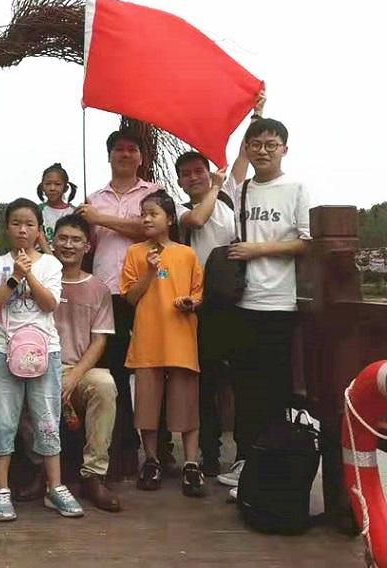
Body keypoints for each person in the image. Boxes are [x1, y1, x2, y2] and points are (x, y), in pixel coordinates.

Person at [175, 89, 266, 476]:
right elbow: (197, 221)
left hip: (237, 299)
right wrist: (214, 185)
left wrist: (255, 114)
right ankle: (208, 454)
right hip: (201, 304)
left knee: (243, 378)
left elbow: (245, 154)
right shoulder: (180, 208)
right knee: (207, 382)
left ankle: (245, 452)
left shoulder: (229, 196)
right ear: (180, 182)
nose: (194, 177)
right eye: (187, 174)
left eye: (199, 171)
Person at [216, 117, 311, 488]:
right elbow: (234, 172)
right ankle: (245, 459)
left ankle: (269, 465)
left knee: (274, 389)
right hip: (243, 302)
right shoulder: (242, 189)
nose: (263, 151)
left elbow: (307, 241)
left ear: (284, 149)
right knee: (244, 385)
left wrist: (258, 250)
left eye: (271, 144)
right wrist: (253, 115)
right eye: (256, 144)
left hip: (280, 303)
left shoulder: (297, 188)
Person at [0, 198, 84, 521]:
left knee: (47, 420)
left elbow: (50, 304)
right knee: (4, 421)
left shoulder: (51, 264)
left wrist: (29, 275)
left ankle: (55, 487)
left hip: (46, 352)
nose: (22, 230)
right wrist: (14, 277)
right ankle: (1, 489)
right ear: (6, 228)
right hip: (6, 352)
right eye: (16, 223)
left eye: (29, 224)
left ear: (39, 230)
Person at [16, 215, 120, 511]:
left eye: (76, 240)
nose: (68, 245)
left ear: (88, 247)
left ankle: (93, 475)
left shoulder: (98, 288)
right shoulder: (36, 279)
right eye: (62, 238)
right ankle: (41, 469)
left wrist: (74, 376)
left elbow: (99, 341)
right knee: (18, 384)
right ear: (52, 240)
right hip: (38, 365)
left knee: (104, 385)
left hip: (78, 369)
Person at [76, 128, 160, 471]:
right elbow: (85, 245)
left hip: (150, 291)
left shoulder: (154, 193)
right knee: (112, 372)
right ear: (109, 155)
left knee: (153, 371)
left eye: (131, 149)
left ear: (141, 157)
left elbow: (149, 229)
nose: (125, 154)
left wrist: (101, 219)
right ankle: (122, 446)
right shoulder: (92, 198)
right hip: (106, 292)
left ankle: (158, 451)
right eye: (119, 149)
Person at [119, 190, 206, 497]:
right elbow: (130, 297)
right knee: (147, 406)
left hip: (180, 338)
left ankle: (191, 464)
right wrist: (149, 271)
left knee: (187, 404)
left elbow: (198, 294)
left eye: (153, 213)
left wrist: (190, 303)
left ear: (169, 219)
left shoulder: (187, 254)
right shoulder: (135, 253)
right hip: (148, 338)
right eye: (143, 214)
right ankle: (151, 460)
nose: (146, 219)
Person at [36, 162, 77, 253]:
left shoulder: (74, 212)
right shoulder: (36, 210)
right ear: (42, 187)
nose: (52, 188)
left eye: (57, 184)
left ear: (65, 188)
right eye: (48, 184)